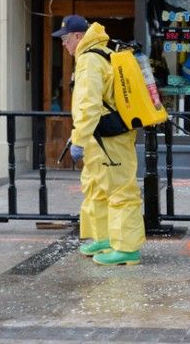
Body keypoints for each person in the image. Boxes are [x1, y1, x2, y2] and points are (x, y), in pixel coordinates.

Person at [53, 14, 145, 266]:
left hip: (107, 139)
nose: (63, 44)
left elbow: (88, 105)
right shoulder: (99, 54)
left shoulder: (89, 60)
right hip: (101, 138)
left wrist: (78, 139)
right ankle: (105, 238)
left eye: (65, 39)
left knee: (120, 190)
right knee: (97, 188)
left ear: (78, 37)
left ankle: (126, 248)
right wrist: (82, 138)